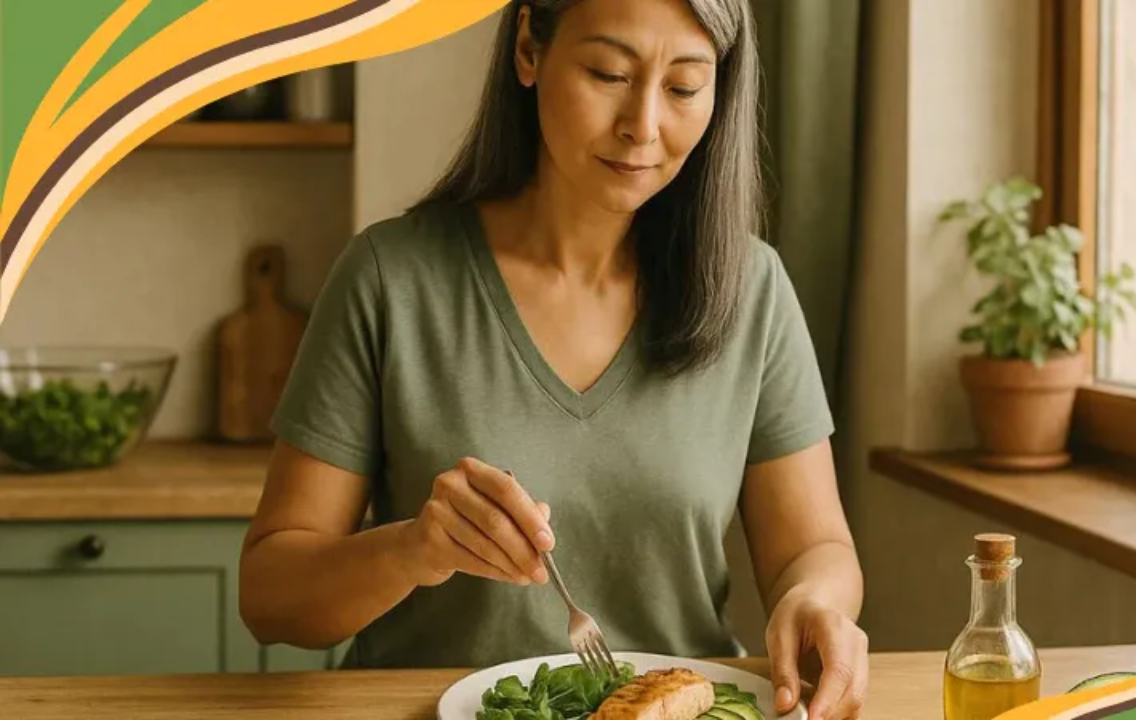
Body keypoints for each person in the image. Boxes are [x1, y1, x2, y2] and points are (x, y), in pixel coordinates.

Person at [237, 0, 869, 718]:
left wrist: (817, 602)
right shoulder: (390, 277)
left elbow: (811, 549)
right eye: (608, 73)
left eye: (685, 87)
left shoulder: (751, 289)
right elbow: (269, 598)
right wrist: (415, 549)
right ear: (529, 52)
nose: (644, 125)